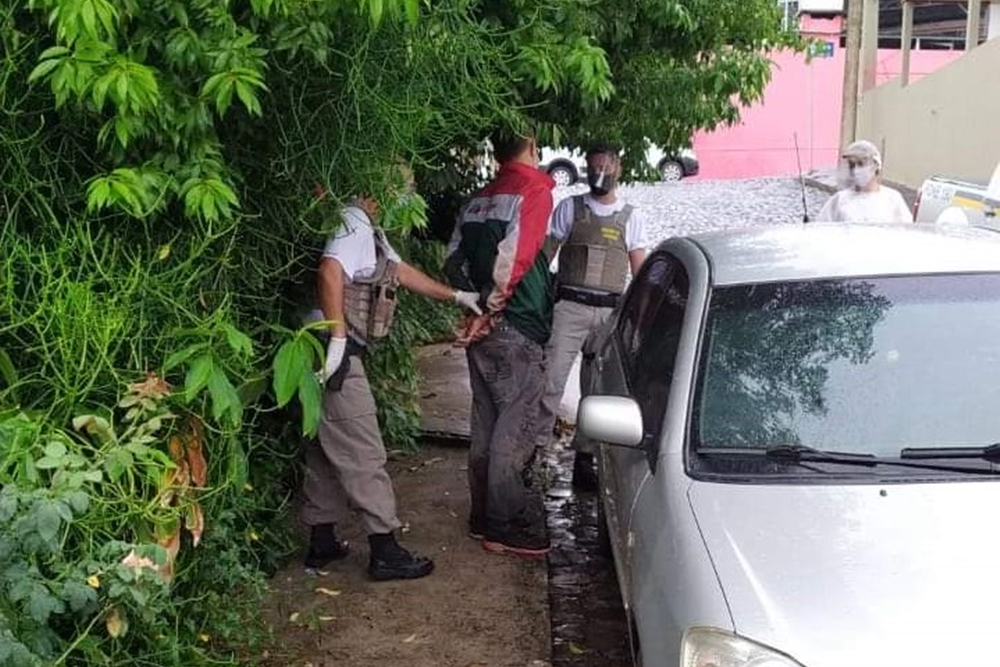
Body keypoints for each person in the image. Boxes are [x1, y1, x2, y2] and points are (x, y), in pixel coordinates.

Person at [302, 192, 481, 581]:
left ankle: (322, 540)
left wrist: (457, 296)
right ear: (372, 188)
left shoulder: (366, 227)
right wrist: (337, 338)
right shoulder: (353, 219)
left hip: (315, 346)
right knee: (364, 449)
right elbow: (330, 270)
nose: (403, 194)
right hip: (333, 350)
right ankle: (385, 550)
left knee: (325, 444)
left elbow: (398, 272)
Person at [444, 130, 556, 559]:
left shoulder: (477, 199)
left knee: (487, 420)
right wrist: (491, 309)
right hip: (516, 323)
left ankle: (482, 518)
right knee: (517, 421)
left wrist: (473, 307)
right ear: (530, 145)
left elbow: (452, 258)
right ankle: (505, 525)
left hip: (485, 325)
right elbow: (517, 256)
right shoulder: (533, 189)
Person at [538, 143, 651, 490]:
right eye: (594, 165)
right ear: (586, 167)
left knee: (597, 390)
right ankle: (535, 452)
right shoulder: (569, 209)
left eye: (607, 165)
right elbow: (545, 259)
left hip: (608, 313)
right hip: (569, 307)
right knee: (551, 381)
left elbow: (640, 271)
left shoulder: (631, 217)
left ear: (618, 167)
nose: (601, 172)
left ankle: (585, 458)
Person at [815, 140, 913, 224]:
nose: (855, 169)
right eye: (851, 164)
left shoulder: (892, 199)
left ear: (875, 166)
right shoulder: (840, 200)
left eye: (861, 164)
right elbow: (821, 231)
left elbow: (906, 233)